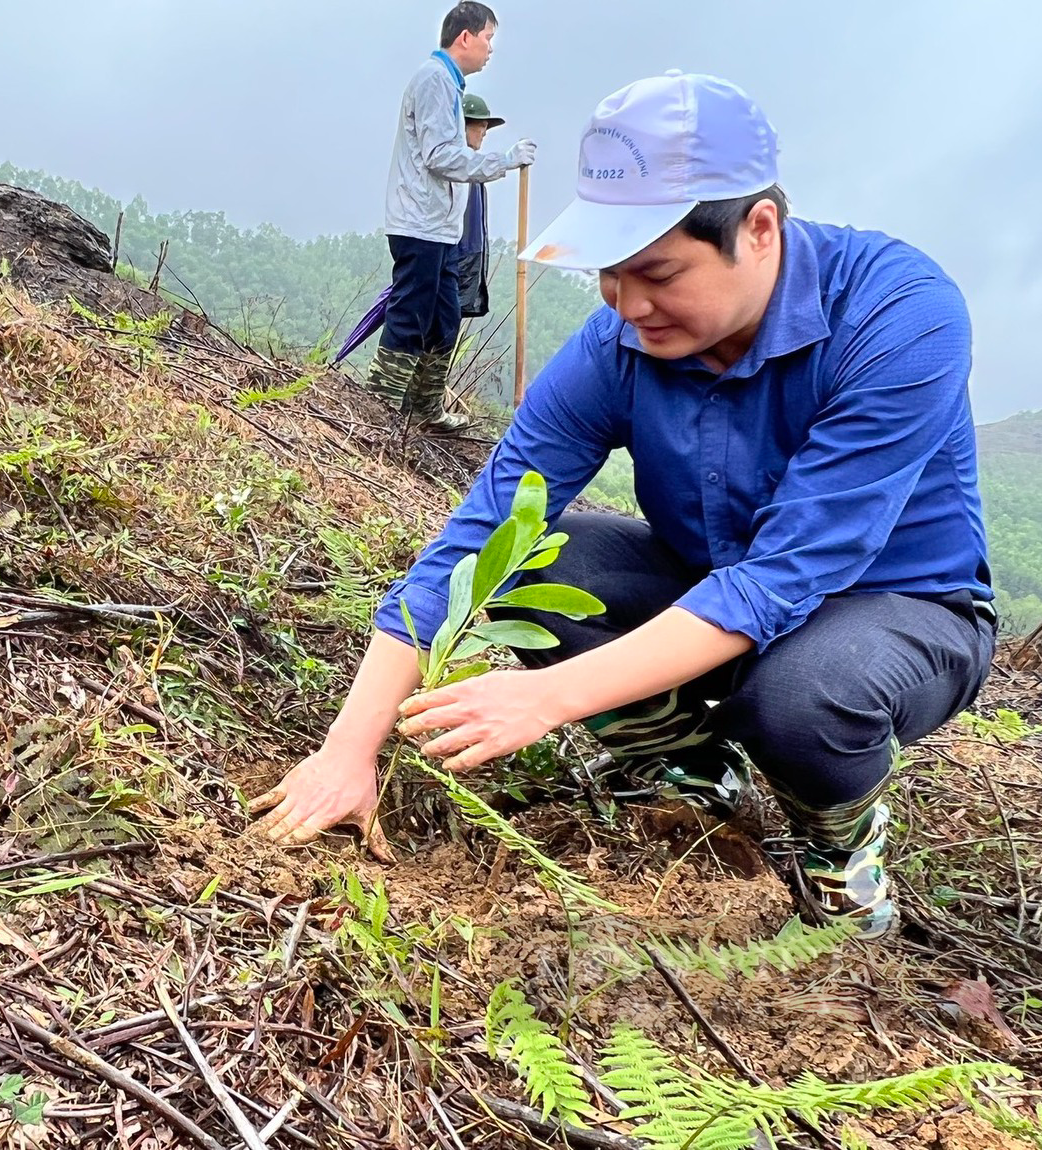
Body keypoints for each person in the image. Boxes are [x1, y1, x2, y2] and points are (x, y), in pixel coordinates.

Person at [252, 71, 996, 937]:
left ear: (759, 229)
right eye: (611, 274)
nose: (630, 306)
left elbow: (788, 575)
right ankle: (690, 771)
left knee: (802, 697)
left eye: (659, 272)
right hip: (709, 574)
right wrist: (351, 749)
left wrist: (548, 697)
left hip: (893, 605)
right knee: (523, 563)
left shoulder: (898, 313)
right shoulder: (623, 341)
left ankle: (839, 859)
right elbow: (488, 525)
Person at [371, 0, 536, 432]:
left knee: (444, 319)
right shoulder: (434, 80)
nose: (490, 49)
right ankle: (380, 407)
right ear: (465, 37)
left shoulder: (449, 82)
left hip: (437, 227)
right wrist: (503, 162)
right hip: (418, 222)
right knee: (411, 314)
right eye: (488, 38)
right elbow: (440, 155)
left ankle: (424, 409)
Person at [449, 93, 505, 325]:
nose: (483, 132)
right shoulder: (453, 166)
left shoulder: (475, 169)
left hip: (471, 257)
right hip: (455, 256)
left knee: (451, 324)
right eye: (480, 125)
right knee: (441, 325)